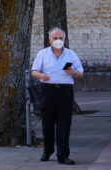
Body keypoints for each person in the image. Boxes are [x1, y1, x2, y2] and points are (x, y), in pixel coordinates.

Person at [30, 27, 84, 165]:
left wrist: (72, 71)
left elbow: (80, 73)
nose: (58, 41)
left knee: (64, 123)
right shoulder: (43, 54)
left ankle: (63, 154)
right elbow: (34, 71)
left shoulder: (71, 54)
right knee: (47, 123)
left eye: (61, 38)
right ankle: (48, 150)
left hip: (65, 90)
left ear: (65, 40)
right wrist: (41, 75)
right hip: (48, 90)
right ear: (49, 40)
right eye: (55, 38)